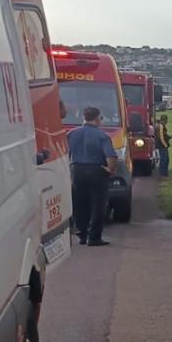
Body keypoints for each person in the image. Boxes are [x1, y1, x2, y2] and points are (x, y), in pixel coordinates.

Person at [66, 106, 118, 247]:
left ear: (84, 118)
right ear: (97, 119)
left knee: (79, 203)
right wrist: (110, 169)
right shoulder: (102, 136)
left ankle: (81, 235)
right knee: (98, 204)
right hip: (96, 170)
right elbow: (111, 157)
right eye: (101, 118)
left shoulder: (71, 134)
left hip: (76, 169)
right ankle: (94, 237)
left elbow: (65, 153)